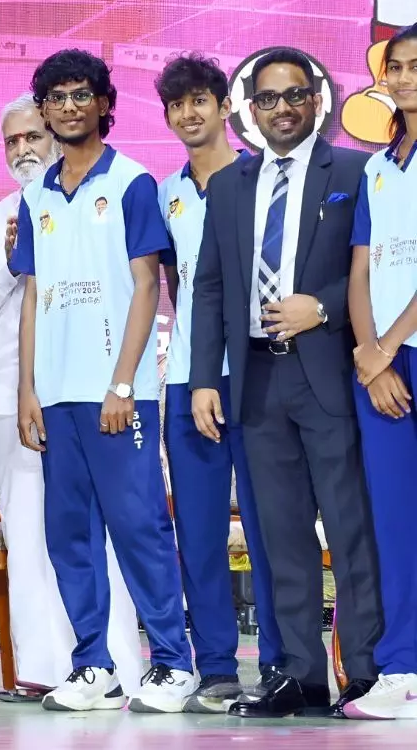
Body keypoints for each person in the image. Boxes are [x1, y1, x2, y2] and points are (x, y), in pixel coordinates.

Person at [190, 47, 381, 718]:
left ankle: (365, 673)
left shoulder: (354, 172)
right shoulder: (228, 186)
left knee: (351, 530)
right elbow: (209, 287)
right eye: (268, 98)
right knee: (281, 536)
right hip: (255, 379)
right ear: (250, 110)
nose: (282, 108)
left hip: (328, 373)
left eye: (294, 95)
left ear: (317, 101)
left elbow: (375, 269)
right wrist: (203, 378)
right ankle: (299, 675)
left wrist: (322, 307)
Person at [10, 49, 196, 713]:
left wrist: (123, 384)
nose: (68, 107)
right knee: (70, 537)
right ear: (43, 110)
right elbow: (34, 295)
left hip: (119, 393)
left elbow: (147, 286)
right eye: (56, 97)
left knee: (139, 528)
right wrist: (28, 389)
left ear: (104, 104)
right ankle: (94, 666)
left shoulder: (132, 183)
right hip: (56, 396)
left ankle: (173, 663)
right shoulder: (35, 194)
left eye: (80, 95)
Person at [0, 94, 144, 701]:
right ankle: (43, 668)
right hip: (13, 396)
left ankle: (117, 664)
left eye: (32, 137)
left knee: (100, 534)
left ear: (55, 134)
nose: (23, 149)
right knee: (29, 535)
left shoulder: (102, 196)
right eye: (11, 141)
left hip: (91, 391)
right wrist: (11, 262)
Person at [153, 53, 283, 712]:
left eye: (199, 100)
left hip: (258, 377)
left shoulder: (263, 178)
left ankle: (283, 660)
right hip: (187, 382)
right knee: (199, 534)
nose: (189, 114)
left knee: (270, 528)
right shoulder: (165, 192)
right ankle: (216, 667)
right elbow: (178, 284)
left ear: (225, 106)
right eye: (176, 105)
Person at [344, 24, 417, 721]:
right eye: (396, 66)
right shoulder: (376, 167)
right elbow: (360, 267)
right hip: (383, 368)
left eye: (416, 65)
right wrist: (370, 355)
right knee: (394, 520)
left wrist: (387, 345)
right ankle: (403, 667)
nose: (405, 76)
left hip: (400, 351)